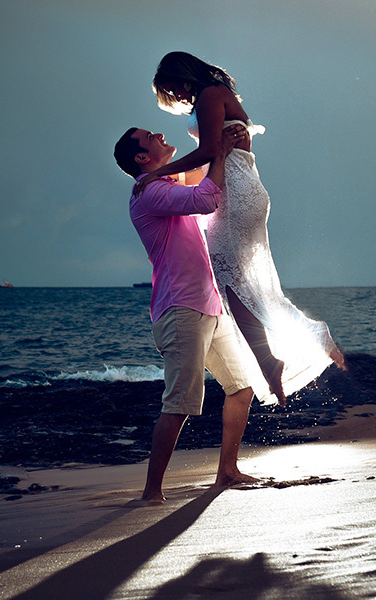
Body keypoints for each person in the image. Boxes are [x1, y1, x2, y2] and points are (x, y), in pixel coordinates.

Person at [134, 51, 345, 407]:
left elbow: (208, 151)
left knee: (233, 283)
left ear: (184, 76)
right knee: (239, 284)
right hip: (236, 189)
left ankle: (297, 344)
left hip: (235, 192)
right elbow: (215, 152)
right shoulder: (212, 97)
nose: (179, 99)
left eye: (174, 89)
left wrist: (156, 174)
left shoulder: (211, 95)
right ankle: (275, 358)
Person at [115, 122, 258, 503]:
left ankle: (227, 471)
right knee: (179, 404)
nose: (159, 135)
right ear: (143, 158)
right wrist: (220, 152)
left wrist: (229, 143)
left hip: (209, 305)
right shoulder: (149, 191)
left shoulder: (168, 181)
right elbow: (207, 198)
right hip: (180, 309)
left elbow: (208, 167)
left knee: (242, 388)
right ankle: (151, 491)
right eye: (150, 138)